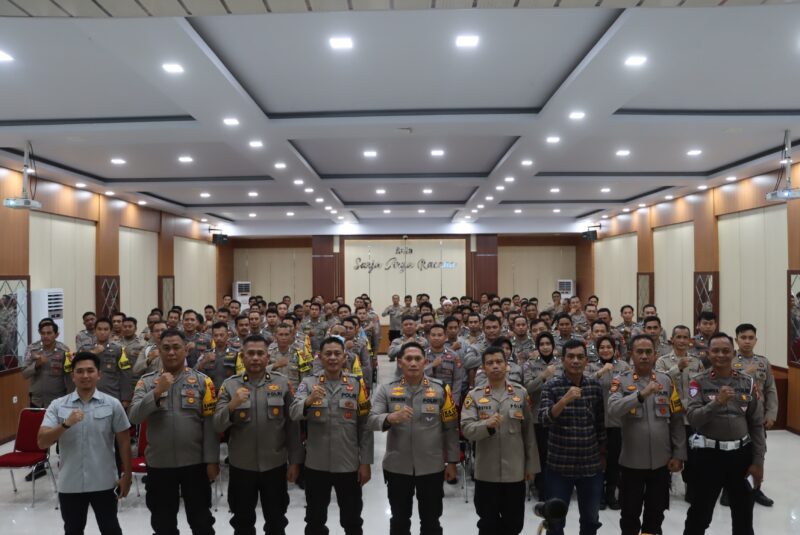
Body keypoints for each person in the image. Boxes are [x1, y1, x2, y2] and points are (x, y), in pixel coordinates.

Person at [128, 329, 220, 535]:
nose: (171, 352)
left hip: (195, 464)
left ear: (185, 350)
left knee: (202, 522)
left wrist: (212, 460)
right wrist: (157, 392)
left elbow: (210, 425)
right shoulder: (147, 382)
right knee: (163, 524)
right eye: (166, 348)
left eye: (176, 347)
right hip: (160, 465)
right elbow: (134, 416)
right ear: (159, 351)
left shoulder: (202, 381)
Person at [214, 334, 303, 534]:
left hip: (275, 465)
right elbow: (217, 425)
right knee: (242, 522)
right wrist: (232, 405)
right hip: (241, 467)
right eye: (251, 353)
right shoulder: (230, 385)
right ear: (242, 356)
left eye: (260, 353)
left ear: (267, 357)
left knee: (276, 521)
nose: (255, 358)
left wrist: (295, 461)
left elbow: (292, 426)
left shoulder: (282, 383)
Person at [368, 342, 460, 535]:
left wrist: (452, 462)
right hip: (397, 466)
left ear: (425, 362)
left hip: (432, 467)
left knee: (431, 521)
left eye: (418, 359)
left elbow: (450, 428)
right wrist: (390, 418)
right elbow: (370, 420)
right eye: (408, 359)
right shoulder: (387, 390)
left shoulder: (441, 389)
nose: (413, 363)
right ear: (400, 362)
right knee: (399, 520)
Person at [38, 351, 132, 535]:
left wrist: (127, 475)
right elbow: (42, 441)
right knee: (73, 530)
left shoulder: (113, 404)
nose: (85, 375)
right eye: (80, 371)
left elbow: (124, 443)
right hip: (70, 484)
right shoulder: (58, 405)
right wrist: (65, 424)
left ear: (99, 374)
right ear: (73, 376)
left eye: (90, 370)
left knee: (111, 529)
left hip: (104, 482)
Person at [683, 333, 765, 535]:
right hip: (708, 457)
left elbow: (756, 425)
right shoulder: (698, 382)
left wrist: (758, 461)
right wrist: (717, 402)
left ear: (733, 353)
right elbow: (693, 418)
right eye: (716, 351)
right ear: (708, 354)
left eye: (726, 350)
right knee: (699, 515)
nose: (721, 355)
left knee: (743, 516)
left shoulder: (747, 382)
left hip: (740, 456)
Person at [290, 336, 373, 535]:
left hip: (348, 464)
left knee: (352, 520)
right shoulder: (308, 383)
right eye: (328, 354)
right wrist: (308, 401)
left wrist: (365, 462)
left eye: (337, 354)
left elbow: (365, 426)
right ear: (319, 357)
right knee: (315, 520)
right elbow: (293, 413)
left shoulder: (357, 384)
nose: (333, 358)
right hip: (316, 465)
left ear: (345, 357)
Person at [608, 335, 687, 535]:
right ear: (631, 354)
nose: (644, 356)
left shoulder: (666, 381)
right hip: (631, 463)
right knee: (629, 514)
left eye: (648, 352)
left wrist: (679, 454)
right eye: (639, 352)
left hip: (661, 463)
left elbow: (677, 420)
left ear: (655, 355)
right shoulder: (621, 380)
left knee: (656, 514)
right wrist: (640, 395)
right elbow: (613, 409)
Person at [461, 346, 539, 535]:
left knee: (514, 524)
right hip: (486, 473)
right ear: (483, 367)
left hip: (515, 472)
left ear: (506, 365)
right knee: (488, 524)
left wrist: (531, 467)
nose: (495, 366)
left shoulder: (520, 393)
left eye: (499, 362)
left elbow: (528, 433)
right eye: (490, 363)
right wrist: (486, 425)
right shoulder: (474, 395)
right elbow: (466, 429)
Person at [538, 339, 606, 535]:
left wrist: (603, 456)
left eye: (580, 357)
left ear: (586, 361)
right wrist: (564, 400)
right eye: (571, 356)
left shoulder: (594, 386)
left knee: (591, 520)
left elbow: (600, 425)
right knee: (555, 521)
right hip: (559, 466)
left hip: (590, 466)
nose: (575, 361)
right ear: (562, 360)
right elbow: (543, 419)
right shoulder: (551, 386)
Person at [730, 323, 778, 508]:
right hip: (736, 415)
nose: (747, 341)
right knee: (735, 453)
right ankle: (730, 489)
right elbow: (725, 385)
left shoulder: (763, 362)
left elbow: (770, 389)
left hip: (757, 416)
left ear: (756, 340)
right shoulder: (729, 360)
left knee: (758, 451)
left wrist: (771, 413)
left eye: (751, 338)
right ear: (737, 340)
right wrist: (743, 373)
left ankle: (756, 488)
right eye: (743, 338)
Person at [655, 324, 704, 501]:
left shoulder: (696, 362)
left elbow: (700, 386)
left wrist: (690, 404)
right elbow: (660, 382)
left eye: (685, 337)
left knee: (693, 455)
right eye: (679, 337)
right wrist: (677, 368)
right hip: (669, 415)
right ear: (672, 339)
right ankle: (663, 486)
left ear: (690, 340)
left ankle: (691, 486)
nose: (682, 341)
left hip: (690, 416)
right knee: (667, 452)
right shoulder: (662, 361)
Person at [587, 335, 630, 510]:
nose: (605, 350)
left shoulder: (624, 366)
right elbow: (585, 384)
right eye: (602, 347)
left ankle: (611, 493)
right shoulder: (591, 366)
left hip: (617, 421)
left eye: (609, 347)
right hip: (596, 421)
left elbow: (630, 387)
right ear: (597, 350)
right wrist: (602, 371)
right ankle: (598, 494)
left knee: (614, 460)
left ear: (615, 349)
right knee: (597, 460)